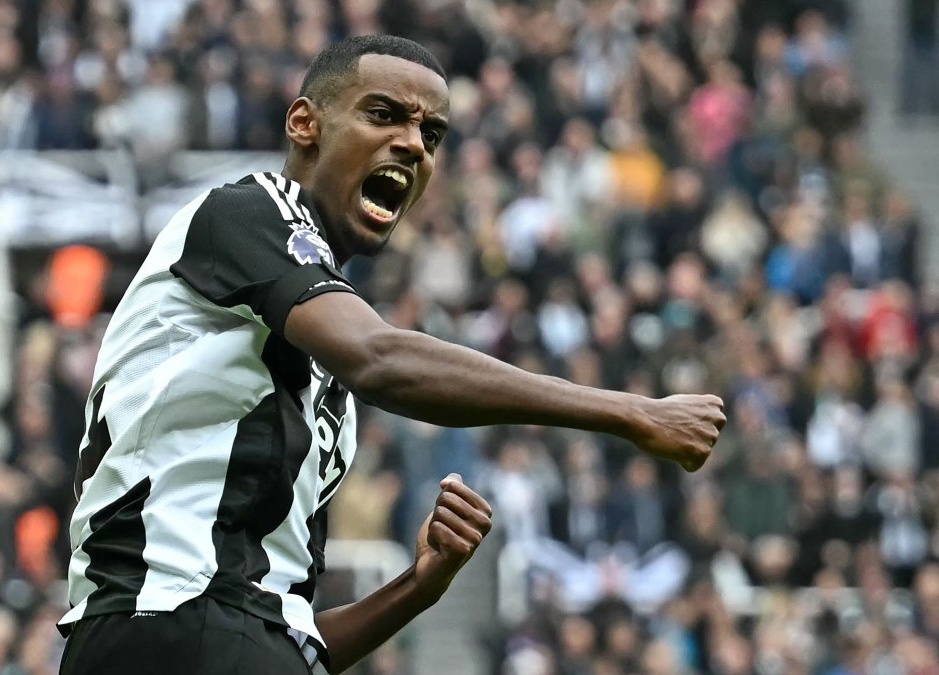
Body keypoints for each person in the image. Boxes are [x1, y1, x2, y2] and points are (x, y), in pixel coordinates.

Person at [57, 35, 726, 675]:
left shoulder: (310, 366)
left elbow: (287, 640)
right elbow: (380, 357)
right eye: (383, 114)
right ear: (305, 124)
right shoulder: (246, 214)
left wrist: (417, 586)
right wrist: (632, 412)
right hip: (166, 630)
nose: (412, 144)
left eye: (431, 134)